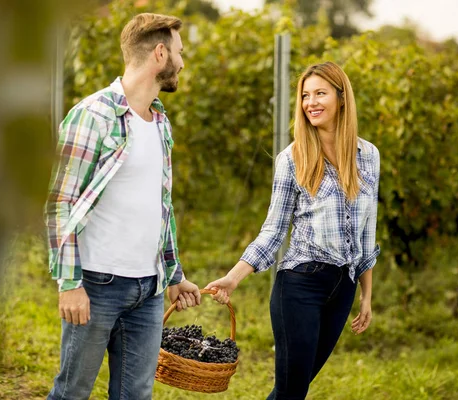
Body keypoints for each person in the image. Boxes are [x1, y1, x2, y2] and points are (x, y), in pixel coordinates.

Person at [45, 13, 201, 400]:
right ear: (160, 54)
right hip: (97, 286)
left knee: (135, 395)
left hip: (148, 291)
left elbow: (159, 206)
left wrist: (173, 274)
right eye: (180, 52)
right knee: (72, 393)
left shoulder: (160, 122)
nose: (183, 61)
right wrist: (70, 285)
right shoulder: (93, 115)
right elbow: (59, 203)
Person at [206, 61, 380, 400]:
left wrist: (366, 295)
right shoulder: (293, 158)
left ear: (342, 99)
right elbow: (273, 231)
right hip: (300, 286)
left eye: (320, 94)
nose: (310, 102)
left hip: (342, 289)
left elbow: (366, 236)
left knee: (291, 390)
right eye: (305, 95)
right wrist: (234, 277)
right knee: (291, 392)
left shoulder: (369, 156)